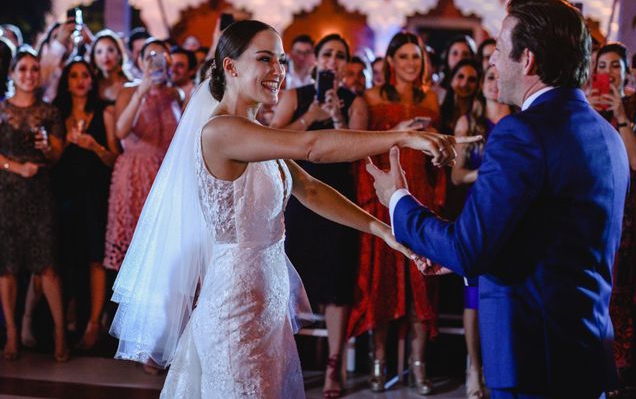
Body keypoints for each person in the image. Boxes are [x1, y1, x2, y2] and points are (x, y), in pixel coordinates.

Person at [109, 20, 473, 398]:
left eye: (281, 60)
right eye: (265, 59)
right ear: (231, 67)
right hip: (236, 305)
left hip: (267, 300)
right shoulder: (220, 131)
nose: (278, 71)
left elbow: (312, 190)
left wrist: (386, 232)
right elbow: (312, 146)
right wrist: (404, 136)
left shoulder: (254, 134)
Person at [367, 0, 629, 398]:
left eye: (500, 51)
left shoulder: (522, 132)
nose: (491, 62)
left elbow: (467, 247)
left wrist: (398, 199)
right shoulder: (608, 135)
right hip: (584, 351)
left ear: (528, 60)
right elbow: (551, 238)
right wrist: (458, 261)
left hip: (533, 356)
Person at [270, 33, 368, 397]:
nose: (332, 60)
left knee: (337, 282)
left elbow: (355, 150)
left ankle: (334, 366)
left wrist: (338, 118)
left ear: (345, 64)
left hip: (338, 194)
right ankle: (283, 359)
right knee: (291, 276)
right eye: (327, 54)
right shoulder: (296, 97)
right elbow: (270, 140)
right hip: (299, 195)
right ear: (316, 60)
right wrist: (310, 118)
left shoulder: (354, 101)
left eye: (339, 56)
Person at [348, 31, 442, 394]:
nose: (409, 63)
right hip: (385, 199)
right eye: (403, 57)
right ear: (390, 61)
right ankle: (378, 361)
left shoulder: (431, 98)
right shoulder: (370, 98)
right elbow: (356, 149)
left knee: (422, 280)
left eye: (415, 57)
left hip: (420, 196)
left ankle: (418, 366)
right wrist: (396, 134)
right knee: (382, 283)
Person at [0, 47, 68, 361]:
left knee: (48, 267)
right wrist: (15, 167)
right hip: (7, 195)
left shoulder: (49, 112)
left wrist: (47, 146)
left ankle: (59, 336)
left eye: (34, 69)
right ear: (13, 74)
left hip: (40, 195)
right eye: (23, 69)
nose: (29, 74)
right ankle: (12, 335)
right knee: (8, 269)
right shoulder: (1, 110)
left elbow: (56, 156)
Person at [451, 65, 510, 399]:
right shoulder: (468, 124)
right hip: (476, 211)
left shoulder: (517, 122)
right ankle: (475, 368)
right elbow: (457, 176)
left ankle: (502, 366)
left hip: (510, 212)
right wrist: (484, 173)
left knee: (503, 290)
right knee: (472, 296)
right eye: (489, 77)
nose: (494, 83)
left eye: (499, 77)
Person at [52, 57, 119, 350]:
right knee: (67, 256)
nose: (80, 80)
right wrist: (65, 142)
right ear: (67, 82)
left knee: (96, 257)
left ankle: (94, 323)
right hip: (65, 194)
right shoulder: (57, 114)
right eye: (74, 76)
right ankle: (68, 320)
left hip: (95, 192)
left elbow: (114, 158)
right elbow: (51, 159)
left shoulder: (104, 112)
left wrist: (94, 146)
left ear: (92, 80)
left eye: (85, 75)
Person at [103, 39, 182, 274]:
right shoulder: (128, 91)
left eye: (163, 56)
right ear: (140, 61)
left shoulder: (174, 93)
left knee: (165, 248)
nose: (157, 60)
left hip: (167, 174)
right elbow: (121, 131)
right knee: (135, 246)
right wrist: (142, 91)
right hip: (136, 173)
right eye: (150, 56)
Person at [588, 42, 636, 391]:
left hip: (628, 212)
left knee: (621, 289)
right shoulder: (582, 105)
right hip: (592, 207)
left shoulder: (634, 107)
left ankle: (619, 374)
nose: (609, 72)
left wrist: (621, 116)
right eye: (602, 65)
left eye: (616, 66)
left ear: (626, 73)